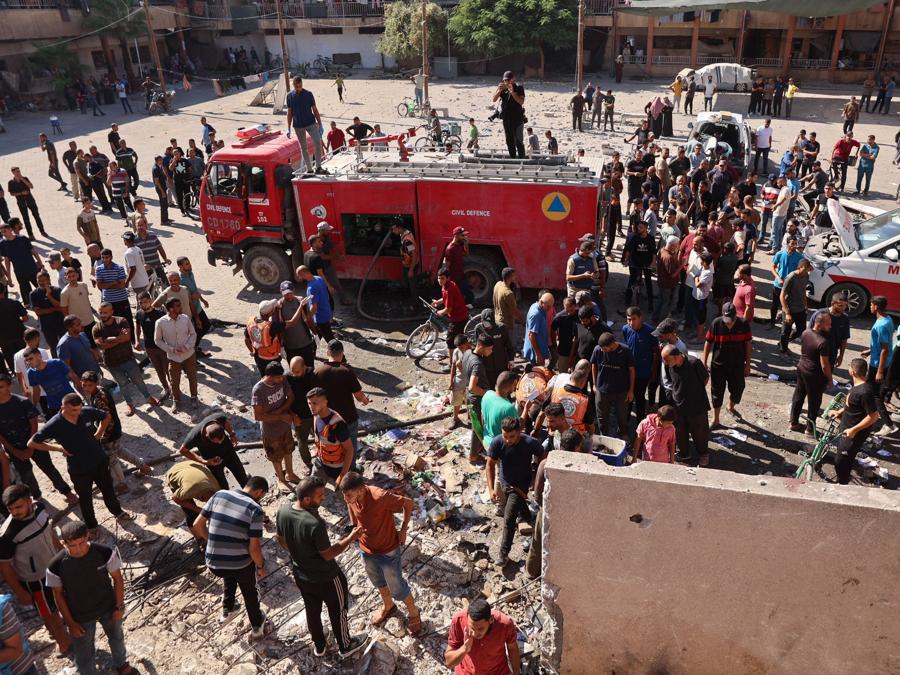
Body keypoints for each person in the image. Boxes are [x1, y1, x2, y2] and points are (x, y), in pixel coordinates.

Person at [275, 476, 368, 658]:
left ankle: (319, 646)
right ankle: (345, 646)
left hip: (301, 576)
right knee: (338, 611)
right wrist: (350, 538)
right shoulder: (314, 524)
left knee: (312, 611)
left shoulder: (284, 510)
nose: (323, 498)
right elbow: (328, 554)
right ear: (306, 499)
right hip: (327, 577)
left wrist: (299, 552)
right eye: (320, 496)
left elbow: (281, 539)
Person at [29, 393, 130, 537]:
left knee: (108, 489)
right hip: (79, 469)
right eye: (73, 410)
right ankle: (91, 526)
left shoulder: (86, 412)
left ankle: (118, 512)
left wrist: (99, 433)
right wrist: (58, 448)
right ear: (63, 407)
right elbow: (32, 443)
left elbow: (107, 416)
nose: (77, 413)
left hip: (99, 461)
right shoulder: (54, 424)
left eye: (79, 409)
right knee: (85, 499)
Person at [45, 521, 137, 675]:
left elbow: (118, 579)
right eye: (72, 545)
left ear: (88, 535)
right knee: (84, 652)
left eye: (82, 543)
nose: (78, 549)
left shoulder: (104, 553)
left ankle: (122, 665)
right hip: (80, 615)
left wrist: (119, 606)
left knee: (117, 638)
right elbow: (58, 595)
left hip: (108, 607)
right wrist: (71, 623)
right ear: (63, 543)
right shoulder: (55, 566)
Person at [339, 472, 422, 633]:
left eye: (348, 495)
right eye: (344, 495)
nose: (345, 499)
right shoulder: (352, 498)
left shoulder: (380, 496)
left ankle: (414, 612)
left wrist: (403, 530)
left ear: (361, 490)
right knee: (378, 581)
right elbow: (350, 505)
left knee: (397, 587)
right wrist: (354, 524)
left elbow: (408, 503)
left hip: (387, 550)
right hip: (366, 548)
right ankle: (388, 606)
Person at [191, 476, 270, 639]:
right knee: (250, 591)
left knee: (230, 568)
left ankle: (228, 609)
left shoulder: (220, 494)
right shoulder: (255, 510)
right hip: (239, 564)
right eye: (261, 496)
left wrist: (214, 541)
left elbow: (197, 525)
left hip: (213, 563)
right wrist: (261, 566)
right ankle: (257, 626)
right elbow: (254, 548)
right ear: (259, 492)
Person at [0, 484, 72, 657]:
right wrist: (20, 592)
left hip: (55, 567)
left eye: (18, 507)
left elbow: (49, 532)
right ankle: (64, 644)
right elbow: (4, 567)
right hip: (35, 581)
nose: (14, 512)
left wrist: (63, 552)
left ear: (29, 501)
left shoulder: (40, 508)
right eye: (10, 509)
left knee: (61, 602)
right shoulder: (7, 534)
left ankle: (58, 631)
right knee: (49, 613)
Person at [0, 373, 77, 505]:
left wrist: (32, 445)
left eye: (1, 386)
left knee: (49, 468)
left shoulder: (22, 402)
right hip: (15, 449)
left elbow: (34, 423)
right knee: (26, 475)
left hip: (35, 444)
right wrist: (15, 451)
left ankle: (67, 492)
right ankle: (37, 497)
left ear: (9, 386)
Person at [486, 416, 544, 568]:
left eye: (511, 436)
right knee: (517, 504)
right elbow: (490, 465)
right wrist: (491, 489)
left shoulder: (529, 442)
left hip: (521, 484)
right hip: (505, 482)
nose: (508, 440)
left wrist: (536, 474)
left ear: (519, 431)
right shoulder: (497, 442)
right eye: (505, 436)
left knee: (509, 518)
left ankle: (503, 555)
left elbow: (542, 454)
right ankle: (527, 516)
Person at [80, 371, 149, 494]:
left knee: (111, 459)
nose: (86, 388)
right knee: (119, 450)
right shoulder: (99, 390)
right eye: (84, 385)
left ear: (96, 383)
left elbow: (107, 418)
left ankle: (121, 485)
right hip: (113, 429)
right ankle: (142, 466)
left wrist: (102, 436)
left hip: (109, 432)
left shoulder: (99, 397)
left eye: (90, 385)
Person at [93, 302, 160, 415]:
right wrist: (119, 338)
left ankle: (148, 398)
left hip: (128, 358)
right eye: (101, 312)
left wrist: (110, 340)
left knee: (138, 380)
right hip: (112, 363)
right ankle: (130, 404)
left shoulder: (121, 321)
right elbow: (102, 346)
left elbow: (127, 337)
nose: (102, 315)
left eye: (105, 312)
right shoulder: (96, 328)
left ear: (112, 312)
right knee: (122, 384)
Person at [829, 359, 879, 484]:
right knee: (843, 458)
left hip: (853, 434)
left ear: (853, 372)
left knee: (841, 462)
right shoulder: (856, 386)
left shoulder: (865, 392)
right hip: (847, 429)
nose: (849, 369)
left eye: (850, 367)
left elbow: (874, 416)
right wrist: (840, 412)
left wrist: (853, 430)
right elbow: (853, 405)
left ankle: (843, 484)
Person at [703, 302, 752, 428]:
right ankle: (716, 419)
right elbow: (708, 342)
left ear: (735, 315)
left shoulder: (744, 324)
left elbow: (748, 344)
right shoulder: (716, 323)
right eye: (726, 320)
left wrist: (748, 364)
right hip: (718, 365)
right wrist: (704, 362)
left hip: (737, 365)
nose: (728, 323)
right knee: (717, 392)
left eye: (730, 319)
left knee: (739, 388)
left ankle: (730, 406)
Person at [252, 362, 298, 489]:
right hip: (271, 432)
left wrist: (279, 412)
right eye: (278, 377)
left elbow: (291, 397)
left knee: (288, 450)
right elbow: (258, 416)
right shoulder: (258, 390)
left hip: (285, 426)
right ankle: (281, 480)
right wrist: (280, 416)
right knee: (275, 457)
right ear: (270, 377)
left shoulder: (282, 380)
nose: (282, 379)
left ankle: (290, 474)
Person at [661, 345, 711, 466]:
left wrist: (695, 391)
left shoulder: (694, 363)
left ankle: (703, 454)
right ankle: (684, 454)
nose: (666, 363)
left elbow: (705, 378)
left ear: (676, 356)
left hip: (697, 406)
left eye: (667, 360)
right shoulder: (670, 366)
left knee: (699, 432)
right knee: (680, 432)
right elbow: (673, 382)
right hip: (679, 406)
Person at [445, 598, 520, 675]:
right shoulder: (458, 620)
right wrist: (464, 649)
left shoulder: (504, 624)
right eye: (472, 628)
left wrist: (517, 673)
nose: (475, 634)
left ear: (491, 620)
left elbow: (512, 649)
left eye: (480, 629)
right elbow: (449, 663)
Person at [789, 311, 832, 434]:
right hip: (814, 375)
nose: (830, 327)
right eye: (828, 324)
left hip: (801, 368)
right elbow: (824, 365)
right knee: (814, 402)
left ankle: (793, 423)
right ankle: (810, 429)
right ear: (819, 324)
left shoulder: (806, 332)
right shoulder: (823, 342)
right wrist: (829, 379)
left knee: (798, 396)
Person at [179, 412, 247, 489]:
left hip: (229, 453)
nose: (220, 443)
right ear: (206, 436)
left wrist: (232, 434)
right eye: (216, 442)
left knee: (243, 479)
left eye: (222, 440)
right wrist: (204, 461)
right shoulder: (194, 436)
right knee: (223, 487)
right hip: (213, 462)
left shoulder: (219, 418)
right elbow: (183, 450)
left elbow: (226, 422)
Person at [305, 386, 354, 486]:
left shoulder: (338, 425)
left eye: (314, 403)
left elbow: (350, 450)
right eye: (309, 403)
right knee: (312, 486)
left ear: (325, 402)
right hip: (321, 462)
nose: (311, 406)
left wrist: (342, 475)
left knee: (342, 491)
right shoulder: (316, 416)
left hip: (337, 468)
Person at [591, 332, 635, 438]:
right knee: (602, 416)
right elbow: (593, 365)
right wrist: (594, 384)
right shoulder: (597, 349)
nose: (602, 350)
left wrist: (630, 391)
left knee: (622, 416)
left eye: (604, 348)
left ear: (612, 344)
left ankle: (623, 434)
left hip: (621, 391)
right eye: (601, 348)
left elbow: (632, 371)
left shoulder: (625, 351)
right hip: (602, 390)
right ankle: (604, 436)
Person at [864, 296, 896, 437]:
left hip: (878, 365)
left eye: (871, 305)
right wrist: (870, 350)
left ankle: (889, 425)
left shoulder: (881, 325)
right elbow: (884, 343)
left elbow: (884, 349)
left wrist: (880, 371)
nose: (870, 307)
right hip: (883, 362)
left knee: (875, 395)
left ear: (876, 306)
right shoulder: (888, 319)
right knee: (870, 391)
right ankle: (869, 415)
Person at [285, 77, 326, 175]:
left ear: (302, 84)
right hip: (298, 126)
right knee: (304, 148)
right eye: (296, 86)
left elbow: (315, 109)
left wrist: (320, 124)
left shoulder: (308, 94)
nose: (298, 88)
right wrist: (288, 127)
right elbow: (289, 112)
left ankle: (318, 167)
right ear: (293, 85)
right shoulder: (290, 96)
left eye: (300, 86)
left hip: (311, 123)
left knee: (318, 142)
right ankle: (309, 169)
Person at [163, 460, 218, 531]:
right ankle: (198, 535)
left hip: (189, 464)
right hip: (174, 472)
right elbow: (175, 498)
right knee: (191, 513)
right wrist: (200, 511)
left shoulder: (218, 489)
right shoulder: (188, 491)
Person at [24, 348, 80, 417]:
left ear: (39, 356)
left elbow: (73, 376)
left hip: (72, 400)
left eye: (31, 359)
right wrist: (33, 407)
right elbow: (36, 390)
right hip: (55, 406)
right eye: (27, 360)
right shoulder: (31, 373)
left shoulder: (56, 363)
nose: (29, 362)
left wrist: (84, 392)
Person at [135, 292, 169, 398]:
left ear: (150, 301)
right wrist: (137, 340)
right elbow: (137, 327)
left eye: (145, 302)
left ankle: (174, 389)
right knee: (159, 370)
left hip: (162, 347)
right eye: (140, 302)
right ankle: (166, 388)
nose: (143, 304)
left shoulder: (160, 314)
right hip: (149, 348)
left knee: (167, 369)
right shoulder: (139, 314)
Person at [93, 249, 133, 340]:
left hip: (122, 299)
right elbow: (100, 286)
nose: (105, 259)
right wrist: (114, 282)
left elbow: (122, 285)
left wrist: (106, 285)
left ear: (111, 257)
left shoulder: (119, 267)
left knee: (127, 321)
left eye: (107, 257)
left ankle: (132, 341)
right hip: (109, 301)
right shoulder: (99, 269)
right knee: (111, 323)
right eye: (103, 257)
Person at [0, 222, 43, 303]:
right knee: (26, 294)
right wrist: (9, 277)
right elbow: (7, 261)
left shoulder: (22, 238)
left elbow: (33, 251)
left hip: (32, 269)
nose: (3, 234)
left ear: (10, 229)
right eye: (1, 232)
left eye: (5, 231)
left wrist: (41, 264)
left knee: (41, 288)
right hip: (20, 272)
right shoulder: (2, 244)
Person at [808, 293, 850, 371]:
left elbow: (844, 339)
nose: (843, 308)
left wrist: (841, 356)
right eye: (840, 305)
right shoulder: (820, 314)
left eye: (845, 305)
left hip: (832, 354)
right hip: (816, 352)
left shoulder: (845, 318)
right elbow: (809, 333)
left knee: (827, 372)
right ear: (833, 303)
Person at [277, 281, 315, 365]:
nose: (289, 295)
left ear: (294, 290)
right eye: (286, 294)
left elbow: (308, 319)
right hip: (290, 347)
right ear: (281, 293)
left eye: (290, 293)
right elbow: (280, 328)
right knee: (295, 370)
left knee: (309, 368)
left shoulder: (300, 301)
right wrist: (281, 346)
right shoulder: (279, 306)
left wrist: (315, 333)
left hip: (306, 343)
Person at [778, 257, 811, 355]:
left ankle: (783, 342)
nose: (806, 272)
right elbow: (782, 296)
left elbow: (803, 291)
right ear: (799, 267)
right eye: (805, 269)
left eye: (807, 269)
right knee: (785, 331)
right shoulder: (791, 277)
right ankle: (783, 349)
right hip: (790, 309)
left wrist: (805, 306)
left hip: (800, 308)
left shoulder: (806, 276)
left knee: (801, 329)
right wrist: (787, 313)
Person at [29, 271, 65, 357]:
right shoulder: (33, 294)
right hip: (46, 326)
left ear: (49, 280)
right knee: (53, 347)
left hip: (60, 322)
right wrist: (54, 309)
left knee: (65, 344)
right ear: (37, 281)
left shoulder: (56, 290)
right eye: (40, 280)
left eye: (44, 280)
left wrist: (49, 296)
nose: (42, 282)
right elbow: (38, 312)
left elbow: (61, 307)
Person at [296, 264, 334, 343]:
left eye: (299, 276)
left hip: (320, 318)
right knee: (316, 337)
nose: (299, 278)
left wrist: (308, 317)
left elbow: (314, 307)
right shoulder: (319, 278)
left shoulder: (311, 288)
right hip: (326, 312)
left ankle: (338, 351)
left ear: (303, 274)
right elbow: (325, 294)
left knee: (330, 340)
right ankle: (313, 348)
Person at [244, 298, 283, 376]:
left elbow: (246, 340)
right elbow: (291, 323)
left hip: (258, 358)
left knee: (264, 376)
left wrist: (253, 352)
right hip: (272, 358)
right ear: (270, 313)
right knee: (275, 377)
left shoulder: (251, 323)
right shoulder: (271, 327)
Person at [770, 235, 802, 325]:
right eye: (792, 244)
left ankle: (785, 324)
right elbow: (772, 267)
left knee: (787, 306)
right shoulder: (780, 254)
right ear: (787, 244)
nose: (794, 246)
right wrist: (778, 278)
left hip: (791, 287)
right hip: (778, 284)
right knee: (775, 304)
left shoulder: (799, 257)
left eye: (795, 244)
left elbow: (804, 269)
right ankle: (772, 322)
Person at [493, 71, 526, 158]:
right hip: (506, 119)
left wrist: (512, 92)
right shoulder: (503, 89)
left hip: (517, 119)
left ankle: (522, 159)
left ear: (513, 79)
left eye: (508, 80)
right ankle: (513, 158)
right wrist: (499, 90)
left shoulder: (519, 88)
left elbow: (521, 102)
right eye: (505, 80)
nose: (506, 82)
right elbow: (494, 99)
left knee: (518, 141)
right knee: (509, 141)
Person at [7, 168, 46, 240]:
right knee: (26, 219)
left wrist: (22, 179)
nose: (18, 173)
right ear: (13, 173)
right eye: (16, 172)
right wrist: (21, 193)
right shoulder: (11, 182)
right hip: (21, 203)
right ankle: (31, 235)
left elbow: (31, 186)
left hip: (30, 201)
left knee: (36, 216)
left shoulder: (25, 178)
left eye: (19, 171)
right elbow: (12, 193)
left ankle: (42, 231)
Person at [57, 315, 100, 379]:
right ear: (70, 328)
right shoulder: (64, 344)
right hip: (83, 380)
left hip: (95, 373)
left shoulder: (82, 334)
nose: (82, 325)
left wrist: (99, 369)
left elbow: (90, 351)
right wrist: (77, 382)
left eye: (81, 322)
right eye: (78, 324)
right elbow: (66, 367)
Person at [523, 292, 552, 366]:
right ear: (541, 302)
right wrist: (538, 355)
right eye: (548, 306)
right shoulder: (536, 314)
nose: (550, 309)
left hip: (539, 351)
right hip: (535, 353)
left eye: (551, 306)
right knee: (537, 371)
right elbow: (531, 335)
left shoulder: (538, 307)